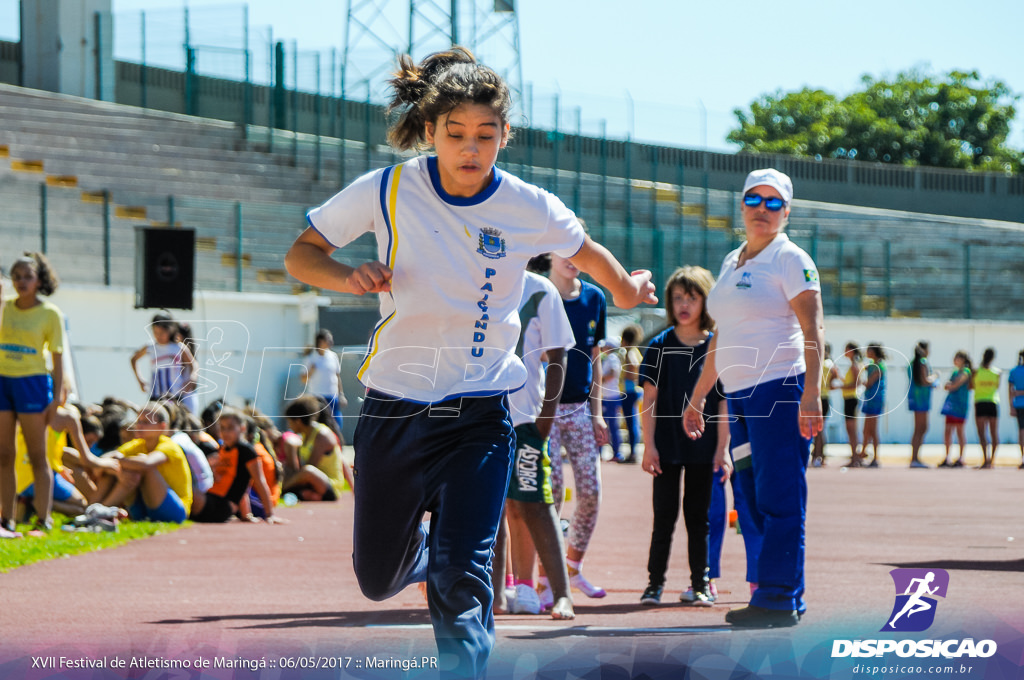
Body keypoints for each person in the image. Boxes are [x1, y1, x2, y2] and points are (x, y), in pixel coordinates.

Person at [284, 46, 655, 677]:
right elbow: (301, 253)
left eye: (485, 135)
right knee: (377, 579)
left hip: (482, 415)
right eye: (455, 134)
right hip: (395, 409)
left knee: (466, 576)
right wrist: (346, 277)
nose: (470, 148)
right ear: (430, 132)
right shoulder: (387, 188)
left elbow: (587, 252)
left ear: (505, 136)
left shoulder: (526, 205)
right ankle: (425, 554)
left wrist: (625, 292)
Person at [683, 168, 824, 629]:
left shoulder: (791, 258)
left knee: (780, 495)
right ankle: (768, 591)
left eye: (773, 203)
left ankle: (781, 598)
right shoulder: (731, 261)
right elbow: (721, 337)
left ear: (787, 211)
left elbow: (813, 331)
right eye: (754, 200)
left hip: (780, 390)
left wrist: (811, 394)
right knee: (748, 497)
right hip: (739, 395)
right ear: (741, 205)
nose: (763, 210)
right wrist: (698, 396)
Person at [638, 266, 730, 607]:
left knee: (699, 519)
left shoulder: (715, 346)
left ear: (706, 301)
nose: (684, 305)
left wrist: (723, 449)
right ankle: (654, 585)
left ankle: (700, 583)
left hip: (703, 450)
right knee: (663, 518)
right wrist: (649, 446)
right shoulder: (658, 345)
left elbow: (723, 404)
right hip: (666, 448)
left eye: (692, 298)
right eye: (678, 298)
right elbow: (649, 399)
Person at [494, 259, 576, 620]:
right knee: (487, 509)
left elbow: (559, 354)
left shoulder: (541, 289)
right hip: (479, 416)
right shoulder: (475, 278)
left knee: (536, 503)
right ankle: (494, 595)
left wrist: (547, 413)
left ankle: (562, 595)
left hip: (525, 418)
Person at [545, 248, 612, 602]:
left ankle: (572, 567)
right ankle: (545, 580)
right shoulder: (539, 293)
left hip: (580, 409)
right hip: (543, 410)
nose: (571, 257)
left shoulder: (594, 297)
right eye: (562, 250)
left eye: (576, 249)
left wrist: (597, 411)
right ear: (549, 254)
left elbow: (596, 357)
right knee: (551, 491)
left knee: (591, 491)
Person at [0, 253, 66, 538]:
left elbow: (58, 360)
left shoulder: (50, 313)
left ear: (39, 279)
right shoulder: (4, 308)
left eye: (27, 276)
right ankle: (7, 519)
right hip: (3, 381)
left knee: (38, 455)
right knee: (4, 455)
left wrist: (56, 399)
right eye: (16, 276)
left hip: (33, 384)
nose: (21, 282)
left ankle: (43, 519)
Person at [94, 402, 193, 524]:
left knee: (142, 467)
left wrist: (118, 461)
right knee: (120, 469)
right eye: (138, 421)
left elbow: (147, 463)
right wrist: (116, 468)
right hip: (143, 509)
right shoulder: (138, 445)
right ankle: (96, 509)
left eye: (146, 422)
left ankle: (99, 512)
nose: (139, 426)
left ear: (162, 427)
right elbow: (103, 461)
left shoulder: (169, 445)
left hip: (175, 511)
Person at [189, 407, 283, 524]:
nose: (225, 432)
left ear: (242, 428)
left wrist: (270, 514)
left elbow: (259, 481)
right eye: (222, 428)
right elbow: (237, 481)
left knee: (187, 490)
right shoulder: (223, 449)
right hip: (212, 497)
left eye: (230, 428)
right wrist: (245, 514)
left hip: (222, 506)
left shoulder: (247, 451)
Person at [281, 396, 353, 501]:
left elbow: (310, 466)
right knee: (284, 467)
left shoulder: (322, 435)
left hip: (329, 484)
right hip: (312, 482)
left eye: (290, 422)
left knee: (307, 471)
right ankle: (303, 494)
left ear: (298, 421)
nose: (289, 426)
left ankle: (282, 490)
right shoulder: (305, 435)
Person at [130, 313, 198, 412]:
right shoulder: (150, 347)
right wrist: (140, 380)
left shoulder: (178, 347)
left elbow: (194, 364)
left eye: (162, 332)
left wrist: (192, 378)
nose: (159, 336)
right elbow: (133, 359)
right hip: (155, 395)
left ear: (170, 330)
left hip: (175, 394)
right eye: (155, 332)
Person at [301, 329, 347, 438]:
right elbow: (303, 379)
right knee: (319, 425)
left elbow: (337, 376)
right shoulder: (310, 357)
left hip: (332, 396)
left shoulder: (333, 356)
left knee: (336, 424)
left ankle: (336, 446)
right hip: (317, 397)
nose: (331, 343)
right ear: (321, 341)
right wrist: (310, 372)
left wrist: (341, 394)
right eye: (328, 340)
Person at [938, 351, 972, 468]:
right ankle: (947, 457)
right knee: (948, 430)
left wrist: (950, 385)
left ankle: (961, 458)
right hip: (951, 405)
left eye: (957, 357)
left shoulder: (966, 371)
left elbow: (954, 385)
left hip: (960, 405)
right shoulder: (955, 371)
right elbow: (948, 385)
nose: (954, 359)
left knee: (959, 431)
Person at [908, 341, 938, 468]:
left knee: (919, 428)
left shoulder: (911, 362)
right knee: (921, 428)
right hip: (921, 399)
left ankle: (915, 458)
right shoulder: (922, 362)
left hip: (916, 398)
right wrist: (935, 376)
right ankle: (915, 458)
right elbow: (925, 380)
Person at [618, 324, 644, 463]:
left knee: (631, 422)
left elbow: (634, 367)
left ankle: (633, 453)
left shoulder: (630, 352)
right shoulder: (634, 351)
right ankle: (633, 451)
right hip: (631, 391)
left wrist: (628, 375)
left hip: (630, 391)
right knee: (631, 422)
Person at [812, 342, 839, 467]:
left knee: (817, 430)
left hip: (819, 397)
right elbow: (836, 375)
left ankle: (817, 455)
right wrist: (828, 385)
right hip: (825, 398)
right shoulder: (830, 364)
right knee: (820, 429)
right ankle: (820, 455)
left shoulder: (819, 363)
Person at [973, 347, 1000, 469]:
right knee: (994, 433)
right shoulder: (997, 373)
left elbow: (971, 386)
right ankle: (991, 460)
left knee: (982, 433)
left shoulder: (976, 371)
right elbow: (997, 387)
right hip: (992, 402)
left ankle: (985, 460)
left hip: (980, 402)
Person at [860, 343, 887, 468]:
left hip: (875, 400)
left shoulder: (878, 366)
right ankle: (862, 454)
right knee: (866, 429)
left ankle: (876, 457)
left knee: (873, 429)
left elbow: (869, 382)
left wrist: (859, 381)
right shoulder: (872, 365)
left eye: (869, 350)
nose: (866, 352)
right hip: (869, 399)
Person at [598, 337, 625, 461]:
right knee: (605, 426)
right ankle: (602, 452)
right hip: (607, 396)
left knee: (613, 426)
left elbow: (613, 373)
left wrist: (599, 380)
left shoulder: (612, 358)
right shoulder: (608, 358)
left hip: (612, 397)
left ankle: (617, 453)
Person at [840, 343, 863, 467]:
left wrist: (840, 386)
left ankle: (855, 457)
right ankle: (855, 456)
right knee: (850, 430)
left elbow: (856, 383)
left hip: (851, 399)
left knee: (852, 430)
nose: (844, 351)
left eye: (846, 349)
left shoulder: (855, 366)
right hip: (848, 399)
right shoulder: (852, 365)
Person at [1008, 349, 1024, 469]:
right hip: (1019, 404)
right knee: (1022, 431)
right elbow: (1011, 390)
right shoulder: (1014, 371)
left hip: (1018, 404)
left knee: (1022, 431)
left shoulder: (1014, 371)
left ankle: (1022, 457)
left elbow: (1011, 391)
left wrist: (1011, 406)